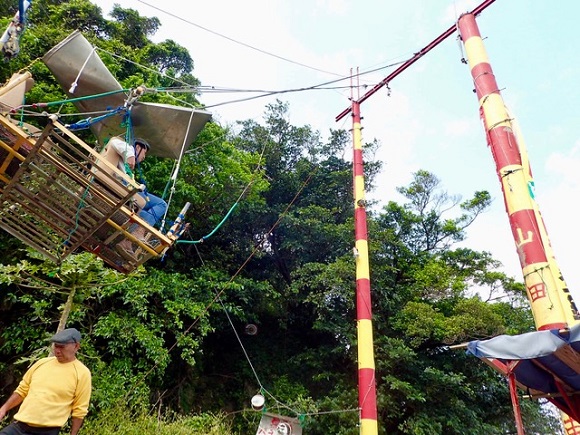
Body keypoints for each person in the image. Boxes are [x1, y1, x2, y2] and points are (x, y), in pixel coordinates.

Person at [0, 328, 92, 435]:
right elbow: (22, 390)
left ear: (76, 346)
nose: (57, 351)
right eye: (55, 346)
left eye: (62, 347)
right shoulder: (42, 363)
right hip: (20, 426)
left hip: (47, 431)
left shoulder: (82, 373)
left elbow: (79, 410)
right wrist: (4, 409)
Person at [106, 136, 167, 261]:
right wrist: (130, 155)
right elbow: (114, 142)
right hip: (123, 189)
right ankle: (135, 235)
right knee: (161, 204)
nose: (143, 158)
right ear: (138, 147)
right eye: (144, 154)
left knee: (146, 214)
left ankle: (128, 241)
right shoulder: (126, 148)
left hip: (128, 190)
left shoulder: (124, 165)